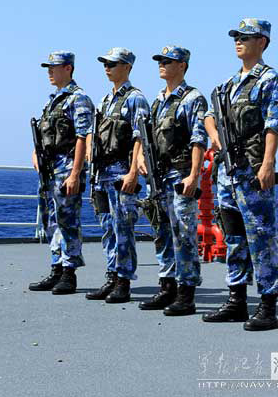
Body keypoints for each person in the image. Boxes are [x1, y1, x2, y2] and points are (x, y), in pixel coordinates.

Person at [202, 19, 278, 331]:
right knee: (234, 238)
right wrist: (215, 137)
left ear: (262, 42)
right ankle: (237, 300)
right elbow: (209, 116)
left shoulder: (270, 80)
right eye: (236, 37)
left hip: (252, 172)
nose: (238, 41)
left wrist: (267, 164)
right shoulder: (226, 85)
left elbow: (273, 125)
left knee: (262, 238)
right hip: (227, 174)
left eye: (246, 37)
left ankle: (267, 305)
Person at [138, 46, 208, 316]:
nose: (162, 64)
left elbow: (198, 139)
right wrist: (142, 160)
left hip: (180, 176)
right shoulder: (158, 101)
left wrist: (194, 174)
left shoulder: (192, 99)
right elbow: (147, 138)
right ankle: (167, 286)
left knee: (184, 235)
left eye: (168, 61)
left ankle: (186, 293)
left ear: (182, 65)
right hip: (159, 178)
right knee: (162, 233)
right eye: (160, 61)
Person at [85, 47, 150, 304]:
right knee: (107, 228)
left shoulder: (136, 99)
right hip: (102, 173)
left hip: (122, 172)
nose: (107, 67)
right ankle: (112, 276)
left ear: (127, 67)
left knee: (123, 227)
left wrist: (133, 172)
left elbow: (140, 137)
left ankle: (124, 280)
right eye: (106, 63)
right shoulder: (104, 100)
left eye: (113, 63)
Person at [29, 51, 94, 295]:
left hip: (66, 168)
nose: (49, 71)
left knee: (68, 221)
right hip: (49, 169)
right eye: (48, 67)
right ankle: (56, 268)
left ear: (68, 68)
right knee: (51, 220)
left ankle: (69, 272)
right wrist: (36, 153)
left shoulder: (78, 99)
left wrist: (75, 173)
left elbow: (82, 136)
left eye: (54, 67)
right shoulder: (53, 101)